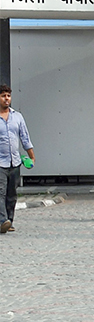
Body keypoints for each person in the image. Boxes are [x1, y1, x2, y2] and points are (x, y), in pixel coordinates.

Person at [0, 83, 35, 233]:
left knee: (12, 194)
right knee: (0, 192)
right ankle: (2, 220)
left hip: (15, 162)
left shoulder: (17, 117)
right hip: (0, 163)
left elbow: (25, 138)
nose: (6, 99)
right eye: (3, 96)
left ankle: (10, 221)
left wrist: (31, 157)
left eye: (8, 96)